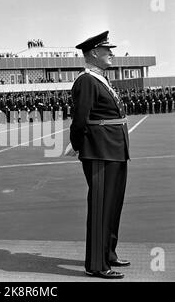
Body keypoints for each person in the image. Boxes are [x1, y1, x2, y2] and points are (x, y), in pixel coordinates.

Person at [67, 31, 130, 279]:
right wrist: (78, 144)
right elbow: (80, 118)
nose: (111, 54)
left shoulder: (101, 79)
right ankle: (96, 264)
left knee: (113, 205)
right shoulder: (86, 81)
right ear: (94, 53)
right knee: (101, 207)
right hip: (100, 151)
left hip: (114, 148)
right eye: (107, 50)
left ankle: (108, 253)